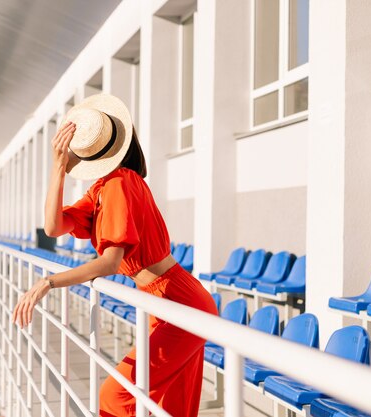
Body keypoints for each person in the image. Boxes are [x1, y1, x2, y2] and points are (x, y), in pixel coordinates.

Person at [12, 93, 218, 416]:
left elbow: (109, 261)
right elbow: (53, 227)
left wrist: (48, 283)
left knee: (115, 397)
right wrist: (58, 171)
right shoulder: (103, 190)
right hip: (166, 302)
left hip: (179, 301)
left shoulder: (120, 184)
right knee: (171, 409)